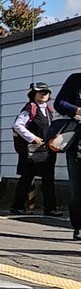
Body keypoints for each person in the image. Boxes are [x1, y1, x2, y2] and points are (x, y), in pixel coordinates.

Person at [11, 83, 58, 214]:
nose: (44, 94)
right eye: (40, 92)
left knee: (48, 179)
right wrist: (33, 138)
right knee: (26, 178)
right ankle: (17, 206)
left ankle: (50, 208)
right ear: (33, 94)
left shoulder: (49, 110)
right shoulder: (29, 108)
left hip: (47, 149)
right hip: (31, 150)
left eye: (46, 92)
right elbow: (18, 126)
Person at [53, 69, 81, 240]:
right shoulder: (75, 80)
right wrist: (78, 110)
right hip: (77, 142)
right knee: (77, 189)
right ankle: (78, 226)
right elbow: (59, 103)